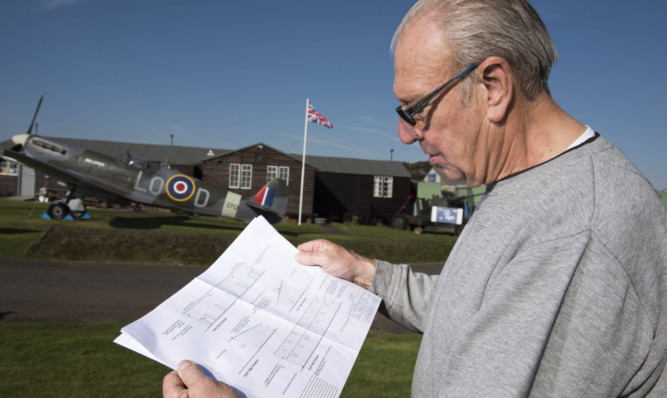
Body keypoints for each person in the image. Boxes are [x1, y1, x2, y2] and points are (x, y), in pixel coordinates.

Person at [163, 0, 667, 396]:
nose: (406, 135)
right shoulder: (525, 185)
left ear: (493, 86)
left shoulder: (574, 231)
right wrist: (365, 273)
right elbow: (469, 308)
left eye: (416, 109)